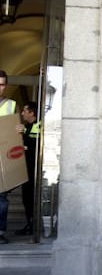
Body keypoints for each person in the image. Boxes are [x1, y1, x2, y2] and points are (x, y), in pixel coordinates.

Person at [15, 101, 40, 236]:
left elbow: (35, 144)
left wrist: (24, 133)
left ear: (32, 113)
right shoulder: (28, 126)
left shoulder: (38, 126)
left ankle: (33, 225)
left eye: (25, 111)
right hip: (26, 168)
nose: (22, 113)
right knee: (26, 198)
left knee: (31, 197)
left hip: (33, 169)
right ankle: (30, 223)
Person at [0, 69, 19, 244]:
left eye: (3, 84)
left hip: (3, 159)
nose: (0, 88)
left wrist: (19, 129)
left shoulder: (11, 104)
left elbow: (15, 128)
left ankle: (0, 231)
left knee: (2, 199)